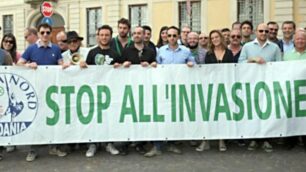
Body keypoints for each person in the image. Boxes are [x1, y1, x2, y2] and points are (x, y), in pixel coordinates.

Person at [17, 23, 68, 162]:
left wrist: (64, 66)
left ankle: (54, 147)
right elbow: (19, 64)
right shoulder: (31, 49)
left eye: (47, 32)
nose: (45, 35)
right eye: (42, 32)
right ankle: (33, 150)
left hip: (53, 91)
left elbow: (60, 64)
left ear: (51, 34)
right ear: (39, 34)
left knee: (53, 118)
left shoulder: (56, 49)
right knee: (36, 119)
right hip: (36, 90)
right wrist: (28, 65)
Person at [145, 26, 195, 157]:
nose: (172, 38)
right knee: (160, 116)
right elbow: (155, 65)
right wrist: (154, 65)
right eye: (169, 36)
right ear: (166, 37)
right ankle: (157, 146)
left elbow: (193, 62)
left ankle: (172, 143)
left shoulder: (185, 50)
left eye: (174, 35)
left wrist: (190, 63)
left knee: (174, 116)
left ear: (178, 37)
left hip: (179, 89)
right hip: (163, 88)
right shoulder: (160, 51)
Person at [238, 23, 282, 152]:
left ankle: (267, 139)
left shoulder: (275, 48)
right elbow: (240, 63)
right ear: (256, 32)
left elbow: (280, 66)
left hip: (269, 84)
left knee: (267, 112)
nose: (263, 33)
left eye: (266, 31)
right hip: (252, 84)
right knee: (254, 111)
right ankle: (254, 139)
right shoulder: (247, 46)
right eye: (261, 31)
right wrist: (252, 59)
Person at [196, 30, 233, 152]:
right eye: (212, 38)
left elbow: (233, 69)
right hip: (211, 88)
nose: (215, 39)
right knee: (209, 114)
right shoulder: (209, 54)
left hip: (225, 87)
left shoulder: (229, 53)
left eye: (217, 37)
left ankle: (221, 140)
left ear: (221, 38)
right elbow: (207, 71)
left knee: (222, 115)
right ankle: (205, 141)